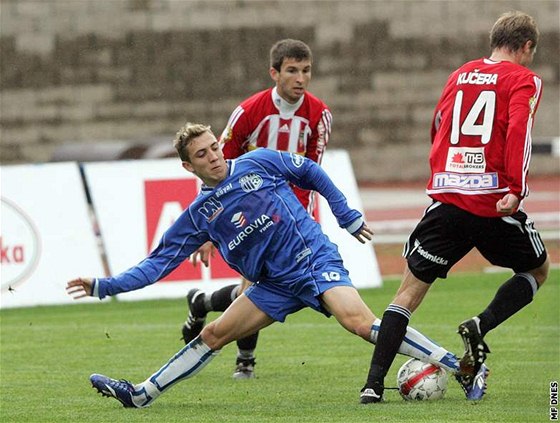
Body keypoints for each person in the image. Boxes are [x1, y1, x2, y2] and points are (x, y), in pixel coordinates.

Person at [66, 123, 479, 408]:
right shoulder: (198, 215)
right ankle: (140, 395)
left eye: (214, 147)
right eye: (202, 154)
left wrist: (344, 213)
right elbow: (156, 265)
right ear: (187, 167)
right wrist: (104, 286)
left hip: (312, 260)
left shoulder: (258, 162)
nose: (214, 156)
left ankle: (463, 368)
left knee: (357, 322)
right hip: (274, 284)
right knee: (213, 333)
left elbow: (312, 171)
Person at [360, 11, 549, 404]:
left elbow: (439, 123)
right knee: (537, 270)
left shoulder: (460, 73)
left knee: (407, 294)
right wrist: (516, 188)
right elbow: (519, 132)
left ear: (494, 39)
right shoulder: (525, 79)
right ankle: (481, 325)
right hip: (492, 201)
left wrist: (443, 174)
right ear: (527, 46)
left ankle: (373, 386)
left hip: (446, 198)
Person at [181, 38, 332, 379]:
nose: (301, 78)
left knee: (258, 289)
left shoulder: (319, 115)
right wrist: (208, 226)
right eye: (292, 71)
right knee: (256, 288)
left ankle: (202, 302)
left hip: (291, 218)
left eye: (306, 71)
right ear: (274, 73)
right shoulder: (249, 111)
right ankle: (245, 361)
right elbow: (214, 164)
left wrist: (303, 220)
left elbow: (313, 171)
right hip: (247, 211)